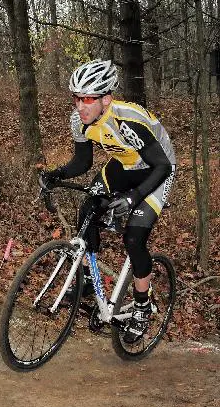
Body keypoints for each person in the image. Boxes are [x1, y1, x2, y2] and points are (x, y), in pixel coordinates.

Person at [41, 59, 176, 344]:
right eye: (76, 98)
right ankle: (89, 279)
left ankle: (142, 306)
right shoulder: (79, 120)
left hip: (157, 170)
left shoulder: (127, 119)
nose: (80, 106)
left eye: (88, 98)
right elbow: (83, 161)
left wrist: (133, 196)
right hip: (125, 164)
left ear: (106, 98)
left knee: (134, 238)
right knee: (89, 206)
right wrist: (56, 174)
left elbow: (162, 166)